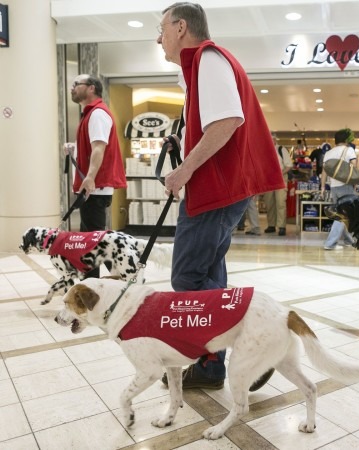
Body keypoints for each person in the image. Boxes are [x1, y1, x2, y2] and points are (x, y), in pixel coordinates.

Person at [156, 2, 284, 389]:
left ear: (181, 28)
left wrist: (184, 169)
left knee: (187, 277)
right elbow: (216, 122)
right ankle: (212, 365)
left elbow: (228, 121)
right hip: (222, 187)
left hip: (216, 187)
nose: (158, 38)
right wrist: (184, 141)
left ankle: (260, 342)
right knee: (209, 273)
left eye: (161, 29)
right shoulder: (198, 68)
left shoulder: (208, 59)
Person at [65, 74, 127, 279]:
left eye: (76, 84)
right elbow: (93, 148)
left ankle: (108, 283)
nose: (72, 88)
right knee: (92, 238)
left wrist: (90, 178)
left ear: (91, 88)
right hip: (93, 186)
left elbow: (99, 148)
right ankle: (117, 279)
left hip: (95, 187)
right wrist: (74, 149)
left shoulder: (98, 114)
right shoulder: (90, 114)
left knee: (93, 240)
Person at [321, 128, 357, 250]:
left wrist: (322, 187)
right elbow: (354, 167)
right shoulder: (349, 150)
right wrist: (355, 182)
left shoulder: (328, 153)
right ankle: (330, 243)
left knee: (343, 213)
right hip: (345, 186)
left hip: (334, 187)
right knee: (343, 214)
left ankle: (348, 240)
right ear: (347, 139)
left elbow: (324, 172)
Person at [264, 135, 293, 236]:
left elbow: (289, 165)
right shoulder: (264, 150)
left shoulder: (281, 149)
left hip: (280, 179)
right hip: (268, 180)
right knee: (269, 203)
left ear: (275, 140)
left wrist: (280, 174)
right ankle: (271, 225)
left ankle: (281, 226)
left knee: (280, 203)